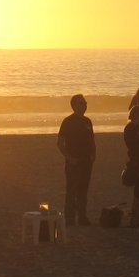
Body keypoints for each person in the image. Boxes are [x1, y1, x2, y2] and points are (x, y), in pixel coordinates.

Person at [57, 93, 96, 227]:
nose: (84, 105)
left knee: (83, 191)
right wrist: (69, 157)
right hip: (73, 161)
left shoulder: (87, 121)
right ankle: (70, 219)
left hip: (86, 161)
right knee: (71, 191)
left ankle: (82, 217)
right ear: (74, 106)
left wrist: (93, 155)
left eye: (85, 103)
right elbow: (60, 143)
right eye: (81, 103)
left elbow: (92, 140)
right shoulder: (67, 122)